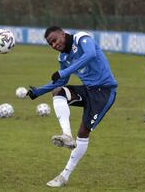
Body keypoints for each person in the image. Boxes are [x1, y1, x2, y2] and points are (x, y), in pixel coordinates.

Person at [27, 26, 117, 187]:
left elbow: (91, 54)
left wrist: (63, 72)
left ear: (63, 33)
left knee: (83, 132)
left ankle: (65, 175)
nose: (53, 45)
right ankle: (66, 134)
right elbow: (61, 81)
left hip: (104, 92)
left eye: (54, 40)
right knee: (58, 91)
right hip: (88, 90)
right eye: (50, 44)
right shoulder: (63, 58)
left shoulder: (81, 38)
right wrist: (38, 92)